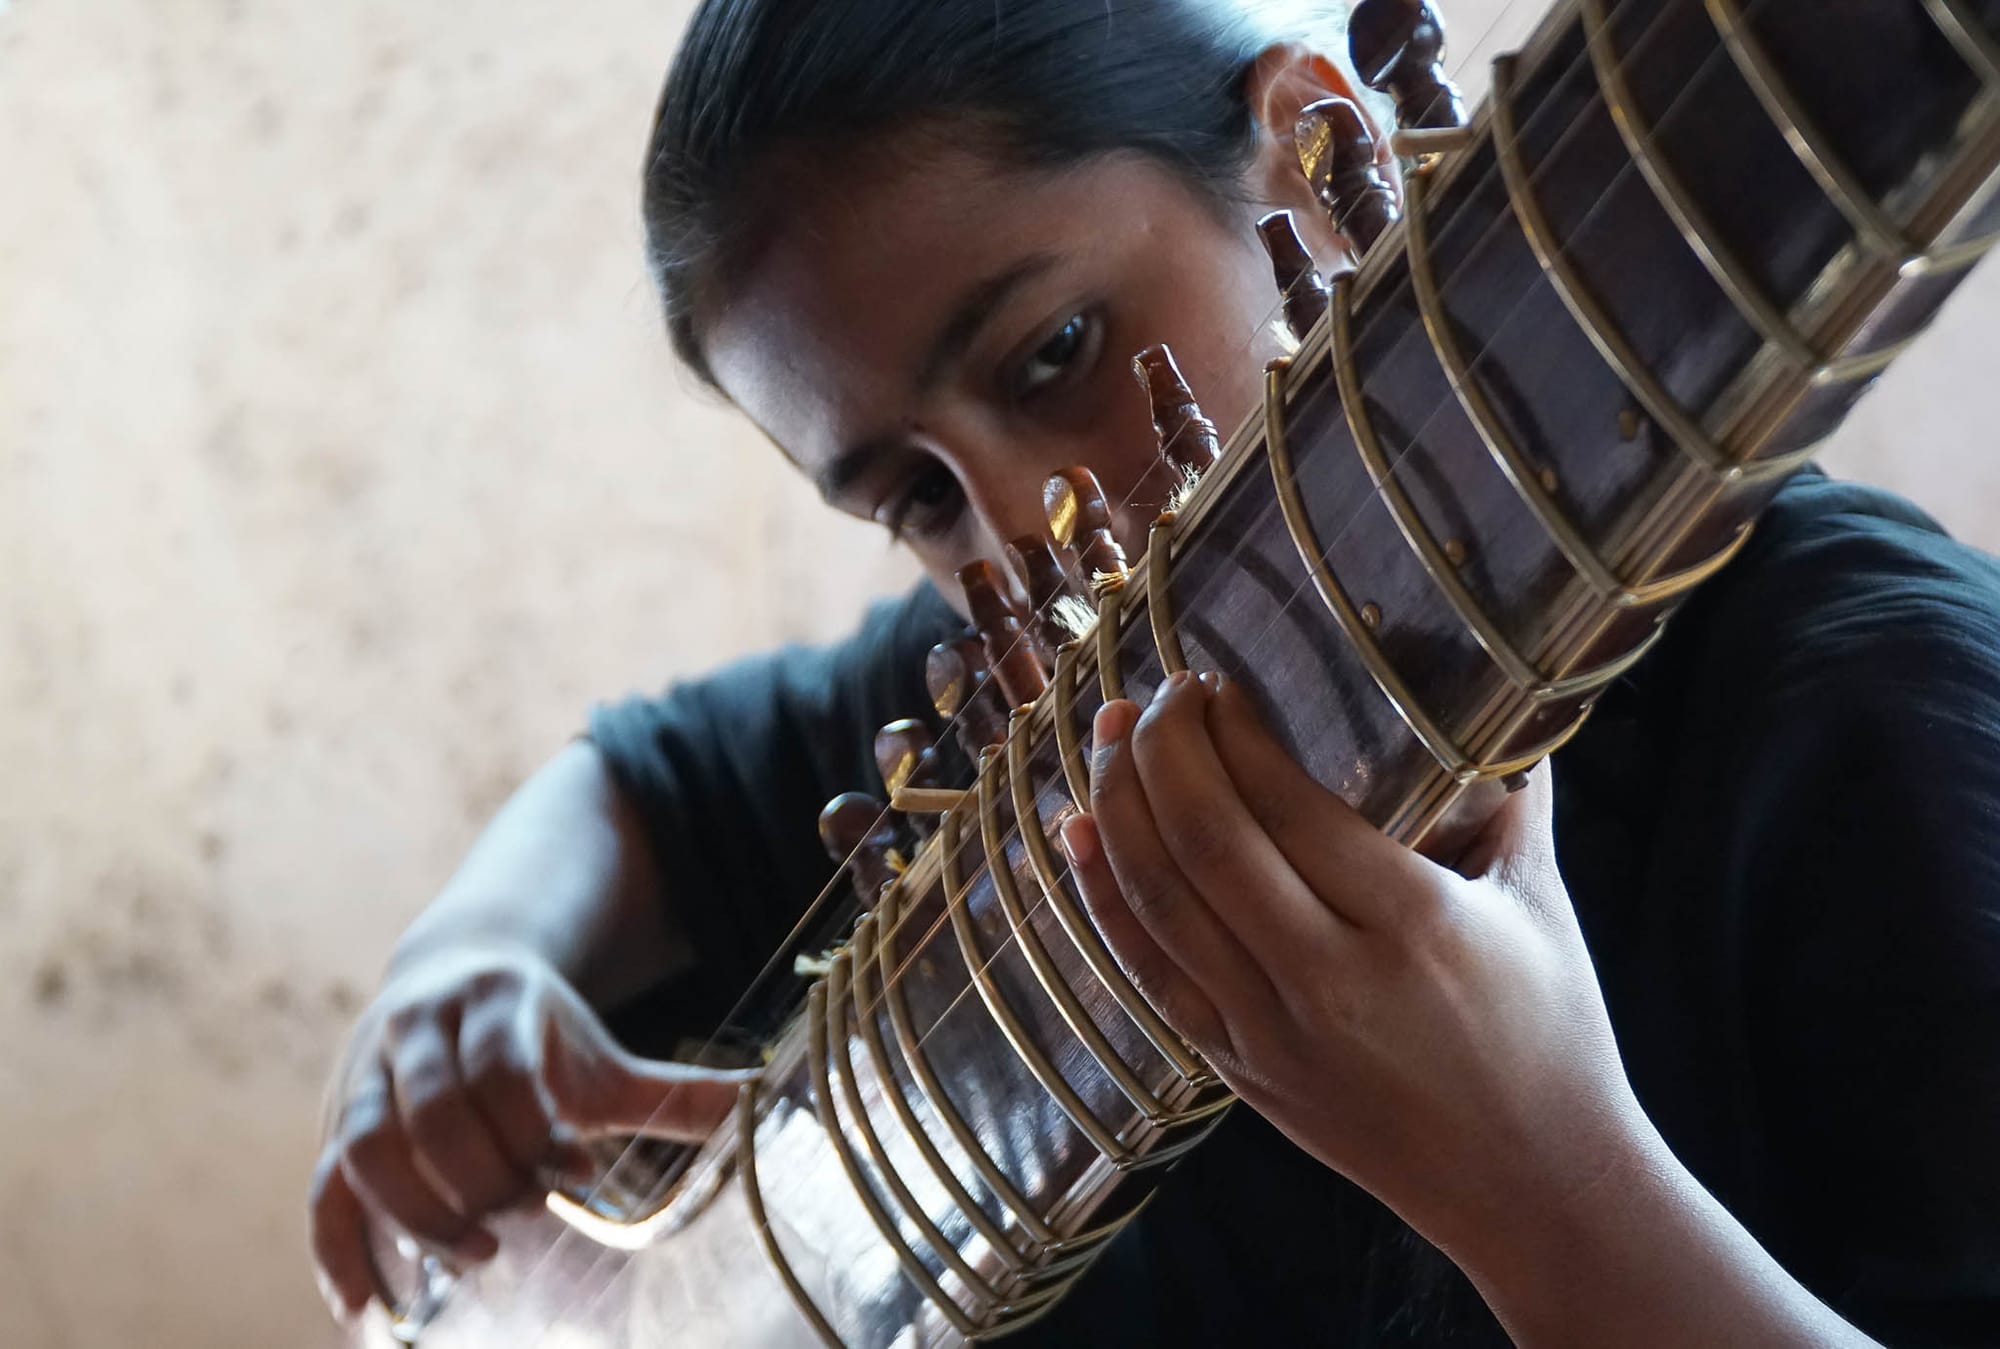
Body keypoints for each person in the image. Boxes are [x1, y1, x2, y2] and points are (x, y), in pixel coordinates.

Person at [307, 1, 2000, 1343]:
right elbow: (655, 780)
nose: (1023, 525)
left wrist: (1540, 1184)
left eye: (1055, 352)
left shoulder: (1853, 700)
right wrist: (462, 960)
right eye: (916, 494)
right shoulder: (1037, 717)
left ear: (1305, 159)